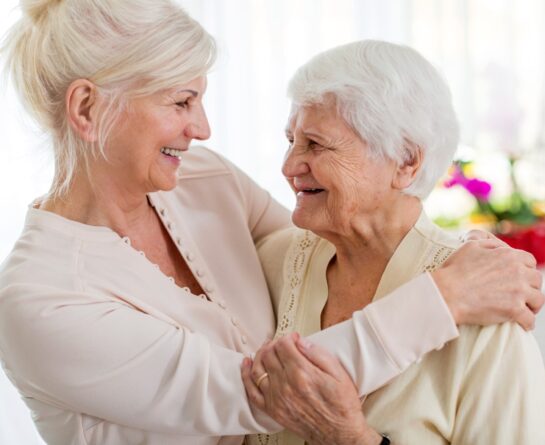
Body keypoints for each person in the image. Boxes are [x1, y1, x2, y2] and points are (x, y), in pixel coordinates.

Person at [0, 1, 542, 444]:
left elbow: (332, 238)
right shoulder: (41, 299)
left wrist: (467, 254)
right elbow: (259, 393)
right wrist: (446, 294)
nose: (203, 128)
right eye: (182, 101)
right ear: (88, 109)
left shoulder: (200, 179)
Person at [243, 40, 545, 445]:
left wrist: (350, 438)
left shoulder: (490, 315)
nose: (289, 166)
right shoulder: (273, 262)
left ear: (406, 161)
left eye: (316, 144)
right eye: (291, 140)